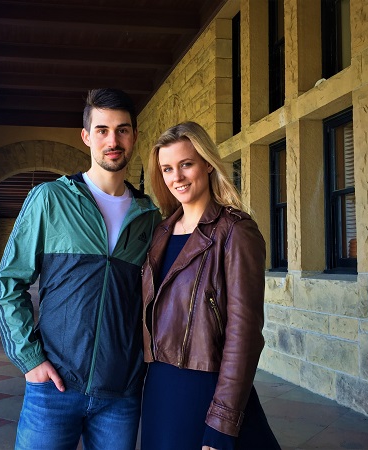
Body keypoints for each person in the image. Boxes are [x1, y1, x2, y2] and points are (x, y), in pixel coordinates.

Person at [0, 88, 161, 450]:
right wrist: (29, 359)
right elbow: (10, 281)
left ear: (134, 137)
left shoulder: (149, 216)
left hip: (121, 392)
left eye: (122, 130)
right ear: (86, 137)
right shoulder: (51, 198)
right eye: (102, 130)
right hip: (53, 387)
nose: (112, 140)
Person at [140, 121, 281, 450]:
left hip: (205, 386)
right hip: (160, 384)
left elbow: (243, 334)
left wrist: (223, 421)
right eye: (167, 169)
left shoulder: (235, 231)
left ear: (206, 163)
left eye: (186, 164)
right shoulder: (160, 233)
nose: (177, 177)